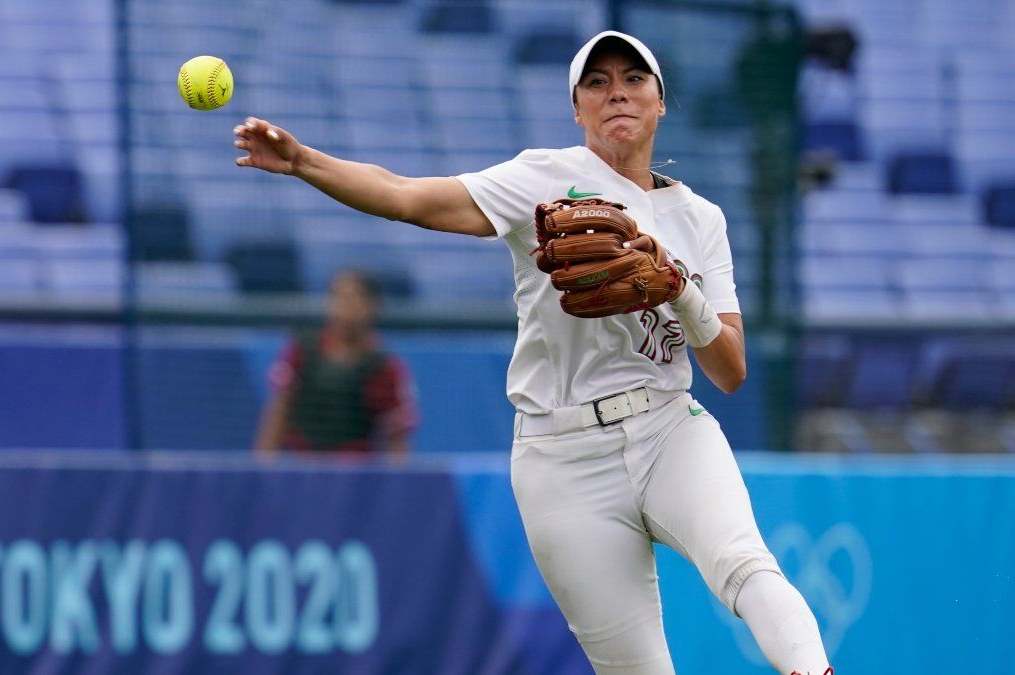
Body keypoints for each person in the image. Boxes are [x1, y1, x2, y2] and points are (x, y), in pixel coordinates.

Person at [235, 30, 832, 674]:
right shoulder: (543, 178)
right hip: (560, 456)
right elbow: (409, 196)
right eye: (596, 83)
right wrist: (304, 162)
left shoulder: (701, 218)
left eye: (633, 79)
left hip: (667, 427)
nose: (616, 94)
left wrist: (681, 290)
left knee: (743, 565)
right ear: (577, 110)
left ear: (662, 102)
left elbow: (731, 368)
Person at [253, 269, 418, 457]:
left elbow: (396, 441)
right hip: (301, 469)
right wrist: (263, 467)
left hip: (354, 477)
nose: (342, 308)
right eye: (336, 297)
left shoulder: (385, 367)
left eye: (352, 299)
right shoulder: (303, 349)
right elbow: (278, 412)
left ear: (372, 306)